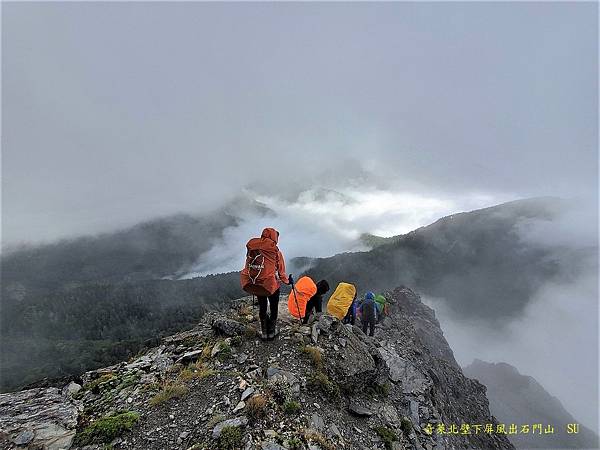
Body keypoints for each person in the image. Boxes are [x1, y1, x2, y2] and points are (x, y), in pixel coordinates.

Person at [240, 227, 290, 340]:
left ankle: (264, 332)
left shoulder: (253, 249)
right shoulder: (276, 251)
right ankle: (272, 332)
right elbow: (281, 272)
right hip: (272, 284)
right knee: (273, 306)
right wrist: (287, 281)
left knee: (262, 307)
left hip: (257, 283)